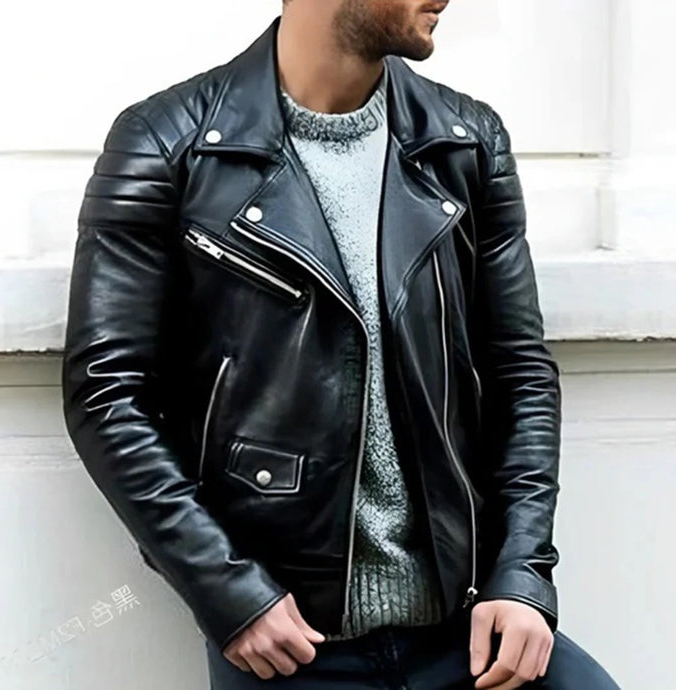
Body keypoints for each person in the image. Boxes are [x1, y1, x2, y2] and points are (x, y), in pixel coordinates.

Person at [61, 1, 621, 688]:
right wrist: (228, 591)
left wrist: (522, 575)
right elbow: (107, 393)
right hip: (293, 647)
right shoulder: (167, 144)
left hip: (468, 631)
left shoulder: (465, 142)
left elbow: (521, 373)